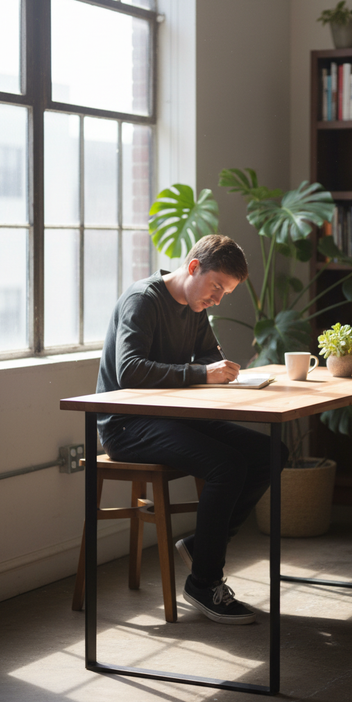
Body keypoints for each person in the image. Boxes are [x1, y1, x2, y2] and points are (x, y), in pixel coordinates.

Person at [96, 234, 288, 625]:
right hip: (126, 425)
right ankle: (204, 582)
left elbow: (207, 354)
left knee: (271, 453)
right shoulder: (143, 300)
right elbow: (129, 371)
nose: (217, 300)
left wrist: (212, 367)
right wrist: (202, 372)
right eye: (217, 287)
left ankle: (202, 547)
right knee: (227, 465)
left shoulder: (195, 307)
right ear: (194, 267)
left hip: (170, 417)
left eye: (226, 293)